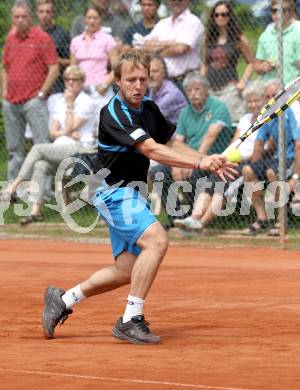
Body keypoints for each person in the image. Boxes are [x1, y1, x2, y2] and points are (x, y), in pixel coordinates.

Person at [41, 49, 237, 345]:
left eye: (142, 79)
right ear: (117, 80)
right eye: (130, 79)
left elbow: (171, 142)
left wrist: (207, 158)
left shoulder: (148, 106)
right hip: (110, 191)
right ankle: (131, 319)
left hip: (130, 192)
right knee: (157, 240)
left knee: (127, 269)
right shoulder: (114, 112)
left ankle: (63, 300)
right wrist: (199, 163)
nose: (137, 85)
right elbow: (152, 150)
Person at [5, 65, 96, 224]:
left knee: (38, 148)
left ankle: (13, 187)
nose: (70, 83)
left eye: (75, 80)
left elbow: (69, 127)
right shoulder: (57, 100)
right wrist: (65, 131)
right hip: (60, 150)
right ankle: (35, 212)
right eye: (67, 79)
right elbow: (52, 132)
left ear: (82, 82)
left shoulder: (86, 101)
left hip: (80, 151)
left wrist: (69, 106)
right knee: (40, 164)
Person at [174, 81, 266, 232]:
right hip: (235, 160)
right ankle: (193, 219)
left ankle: (201, 223)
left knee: (222, 187)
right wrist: (224, 157)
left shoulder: (267, 120)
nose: (253, 104)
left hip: (250, 162)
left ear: (264, 101)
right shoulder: (245, 119)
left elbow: (266, 147)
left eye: (257, 101)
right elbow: (234, 142)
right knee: (212, 181)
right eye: (250, 101)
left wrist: (242, 156)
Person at [149, 71, 232, 229]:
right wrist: (176, 164)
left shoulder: (218, 107)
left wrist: (196, 163)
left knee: (195, 174)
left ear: (206, 89)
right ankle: (177, 216)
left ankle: (193, 218)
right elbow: (178, 141)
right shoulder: (186, 112)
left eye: (197, 89)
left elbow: (210, 137)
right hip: (190, 160)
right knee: (157, 172)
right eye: (189, 91)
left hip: (212, 160)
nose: (193, 94)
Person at [2, 0, 59, 183]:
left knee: (41, 147)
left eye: (24, 16)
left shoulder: (42, 38)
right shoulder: (11, 38)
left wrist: (41, 94)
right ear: (13, 18)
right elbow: (4, 67)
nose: (20, 20)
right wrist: (4, 92)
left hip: (33, 101)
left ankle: (44, 191)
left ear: (30, 17)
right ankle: (13, 189)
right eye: (16, 17)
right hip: (11, 102)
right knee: (14, 149)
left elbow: (54, 69)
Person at [242, 79, 300, 236]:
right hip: (275, 158)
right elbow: (259, 144)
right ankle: (263, 218)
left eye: (275, 95)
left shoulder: (292, 110)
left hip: (291, 158)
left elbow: (298, 145)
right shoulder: (268, 114)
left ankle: (281, 221)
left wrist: (295, 176)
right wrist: (254, 169)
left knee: (272, 172)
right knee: (247, 170)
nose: (272, 99)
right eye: (268, 96)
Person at [200, 0, 254, 123]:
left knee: (230, 122)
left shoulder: (238, 38)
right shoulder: (208, 38)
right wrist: (202, 82)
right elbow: (204, 63)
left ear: (230, 16)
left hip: (229, 88)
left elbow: (251, 62)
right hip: (210, 89)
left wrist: (243, 82)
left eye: (224, 14)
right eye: (217, 14)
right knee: (210, 123)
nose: (220, 17)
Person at [141, 0, 204, 86]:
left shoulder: (193, 21)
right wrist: (169, 43)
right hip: (163, 82)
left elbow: (180, 49)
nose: (176, 1)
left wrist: (156, 50)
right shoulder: (163, 23)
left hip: (184, 81)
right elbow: (145, 47)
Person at [70, 3, 117, 109]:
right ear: (84, 19)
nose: (92, 21)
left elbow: (116, 68)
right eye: (89, 18)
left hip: (101, 88)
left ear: (101, 19)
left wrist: (105, 85)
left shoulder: (107, 39)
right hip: (81, 89)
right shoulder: (76, 41)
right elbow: (72, 69)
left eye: (95, 18)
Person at [255, 0, 300, 85]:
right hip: (268, 89)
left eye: (282, 10)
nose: (278, 14)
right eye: (274, 10)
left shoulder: (297, 33)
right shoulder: (265, 35)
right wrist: (262, 67)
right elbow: (257, 66)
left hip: (290, 89)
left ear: (290, 12)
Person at [36, 0, 70, 94]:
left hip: (56, 86)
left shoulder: (62, 34)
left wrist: (56, 61)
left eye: (48, 12)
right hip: (34, 83)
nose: (44, 15)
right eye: (41, 11)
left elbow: (72, 61)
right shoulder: (31, 33)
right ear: (37, 13)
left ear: (53, 13)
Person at [148, 54, 188, 125]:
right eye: (148, 72)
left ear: (163, 73)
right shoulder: (153, 88)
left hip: (180, 133)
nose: (151, 75)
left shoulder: (171, 93)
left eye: (155, 71)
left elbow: (151, 117)